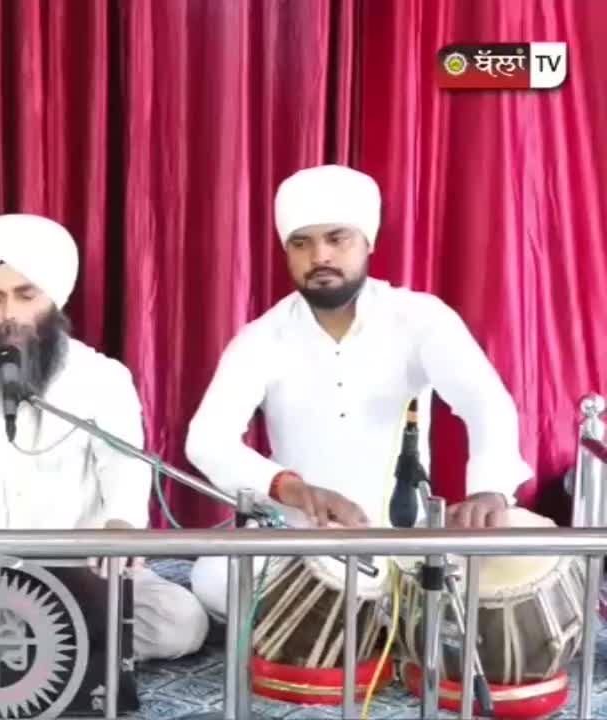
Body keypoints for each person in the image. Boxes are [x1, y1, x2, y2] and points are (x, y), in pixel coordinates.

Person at [185, 164, 532, 617]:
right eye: (301, 243)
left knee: (497, 569)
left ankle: (356, 615)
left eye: (337, 238)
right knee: (212, 578)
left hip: (402, 535)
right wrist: (291, 489)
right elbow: (206, 440)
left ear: (368, 242)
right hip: (301, 539)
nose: (319, 257)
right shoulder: (261, 337)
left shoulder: (420, 318)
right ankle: (361, 615)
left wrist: (489, 489)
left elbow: (484, 401)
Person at [0, 213, 209, 660]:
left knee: (180, 621)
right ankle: (59, 646)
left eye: (26, 296)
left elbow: (125, 466)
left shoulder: (102, 377)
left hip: (79, 574)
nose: (10, 315)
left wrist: (121, 526)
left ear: (54, 299)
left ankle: (25, 643)